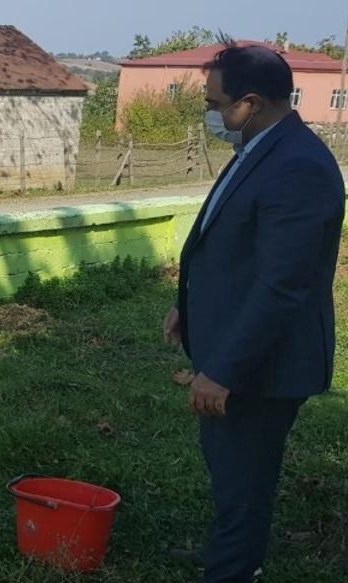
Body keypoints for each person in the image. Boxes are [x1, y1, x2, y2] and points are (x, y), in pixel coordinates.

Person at [162, 43, 344, 582]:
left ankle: (234, 570)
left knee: (246, 477)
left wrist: (223, 371)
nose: (211, 113)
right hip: (234, 347)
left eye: (216, 103)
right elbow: (230, 245)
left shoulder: (299, 167)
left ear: (251, 101)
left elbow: (283, 286)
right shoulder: (262, 145)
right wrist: (186, 305)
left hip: (263, 366)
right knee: (228, 466)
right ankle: (228, 551)